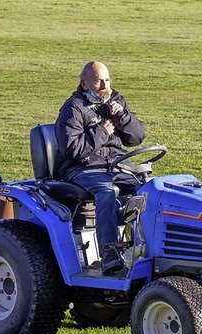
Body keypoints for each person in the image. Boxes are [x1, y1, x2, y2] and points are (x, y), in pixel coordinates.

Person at [55, 61, 145, 275]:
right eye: (98, 81)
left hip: (115, 164)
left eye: (107, 79)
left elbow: (137, 138)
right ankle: (109, 254)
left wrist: (123, 117)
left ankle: (145, 249)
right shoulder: (73, 108)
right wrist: (102, 132)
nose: (105, 85)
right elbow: (72, 149)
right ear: (85, 85)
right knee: (106, 192)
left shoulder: (115, 101)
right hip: (82, 168)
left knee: (148, 190)